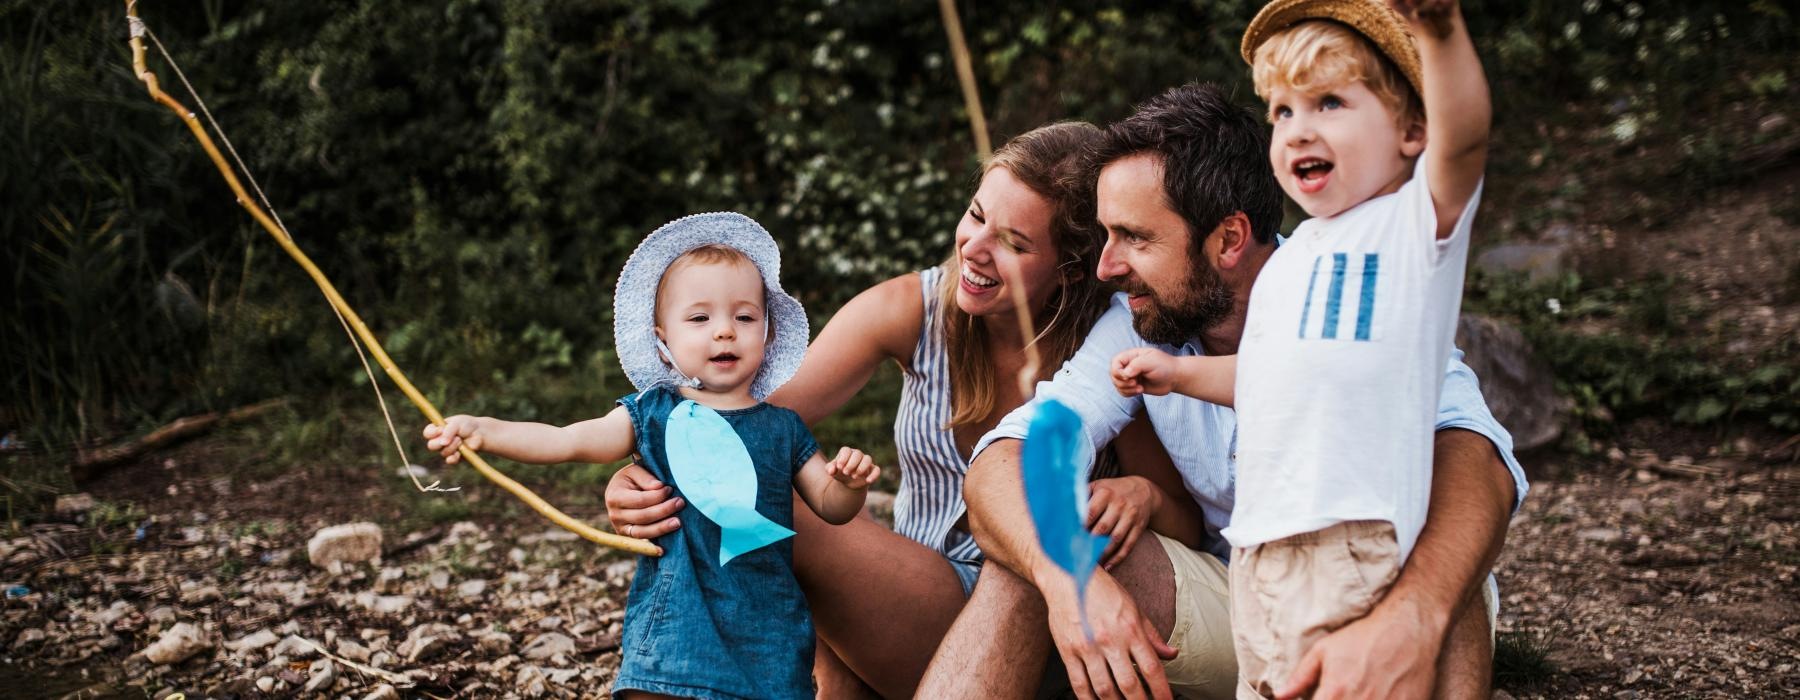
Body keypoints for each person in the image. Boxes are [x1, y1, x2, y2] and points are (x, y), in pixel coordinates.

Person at [917, 81, 1527, 699]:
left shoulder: (1346, 296)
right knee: (1040, 541)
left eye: (1135, 237)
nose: (1106, 266)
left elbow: (1476, 457)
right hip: (1235, 601)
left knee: (1436, 541)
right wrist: (1067, 579)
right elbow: (1005, 457)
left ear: (1229, 240)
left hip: (1372, 595)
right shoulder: (1136, 325)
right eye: (1106, 235)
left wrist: (1414, 613)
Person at [603, 123, 1201, 697]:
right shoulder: (910, 307)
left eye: (1014, 243)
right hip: (912, 605)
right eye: (976, 216)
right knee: (764, 497)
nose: (975, 249)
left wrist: (1143, 496)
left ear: (1070, 269)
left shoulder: (1111, 347)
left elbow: (1189, 523)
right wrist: (643, 470)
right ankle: (697, 683)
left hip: (1038, 621)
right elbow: (733, 424)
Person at [1107, 1, 1494, 696]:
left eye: (1328, 103)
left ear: (1411, 130)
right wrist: (1180, 373)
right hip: (1261, 557)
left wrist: (1439, 33)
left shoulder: (1407, 229)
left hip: (1348, 542)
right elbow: (1271, 377)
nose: (1297, 129)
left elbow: (1464, 143)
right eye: (1282, 112)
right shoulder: (1293, 259)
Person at [423, 213, 881, 699]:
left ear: (767, 335)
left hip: (765, 627)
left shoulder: (783, 427)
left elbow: (831, 506)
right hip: (676, 619)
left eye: (744, 317)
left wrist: (849, 485)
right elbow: (568, 440)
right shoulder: (654, 414)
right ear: (664, 342)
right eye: (700, 318)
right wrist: (486, 431)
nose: (725, 331)